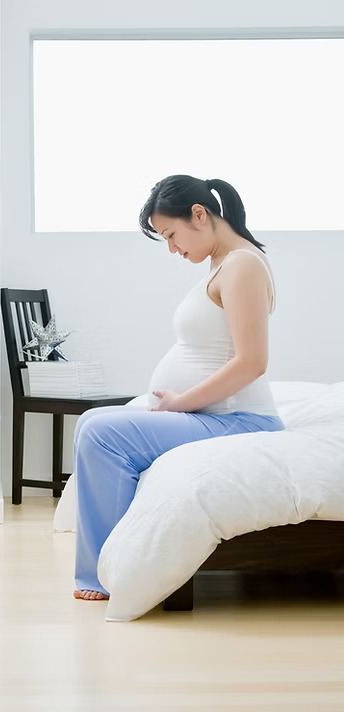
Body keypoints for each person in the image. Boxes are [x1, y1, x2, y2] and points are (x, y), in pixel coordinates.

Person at [74, 174, 285, 601]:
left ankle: (108, 573)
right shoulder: (224, 261)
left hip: (240, 422)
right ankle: (110, 560)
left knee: (101, 434)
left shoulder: (242, 264)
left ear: (199, 215)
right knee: (92, 420)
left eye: (171, 235)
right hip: (216, 416)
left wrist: (182, 404)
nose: (172, 248)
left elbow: (252, 362)